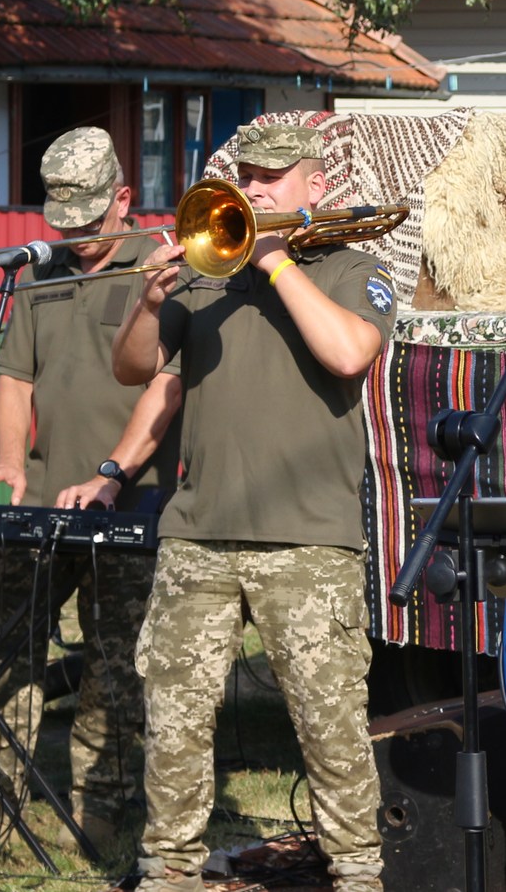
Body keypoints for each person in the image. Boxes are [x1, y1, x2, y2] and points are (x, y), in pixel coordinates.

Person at [111, 124, 394, 892]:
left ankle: (356, 872)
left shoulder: (353, 266)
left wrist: (273, 261)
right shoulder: (207, 267)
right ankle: (168, 870)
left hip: (308, 539)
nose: (257, 188)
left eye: (275, 176)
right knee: (174, 718)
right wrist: (149, 299)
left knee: (329, 722)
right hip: (196, 533)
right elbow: (133, 367)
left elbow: (348, 353)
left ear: (315, 186)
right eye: (250, 175)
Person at [0, 129, 181, 857]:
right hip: (40, 506)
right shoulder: (40, 271)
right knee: (4, 649)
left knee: (114, 666)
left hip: (132, 502)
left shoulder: (160, 266)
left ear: (123, 197)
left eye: (88, 222)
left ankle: (100, 807)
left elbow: (166, 386)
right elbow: (15, 376)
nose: (75, 238)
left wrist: (111, 473)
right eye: (63, 224)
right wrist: (9, 459)